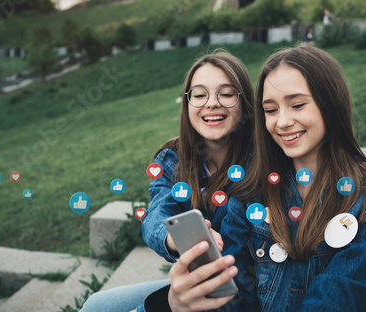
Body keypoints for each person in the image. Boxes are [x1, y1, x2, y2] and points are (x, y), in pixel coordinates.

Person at [240, 45, 366, 311]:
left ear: (331, 103)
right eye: (271, 110)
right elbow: (237, 290)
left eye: (297, 105)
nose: (282, 121)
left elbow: (340, 295)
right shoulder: (254, 188)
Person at [80, 51, 257, 312]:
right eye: (199, 94)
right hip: (198, 281)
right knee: (96, 305)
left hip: (239, 292)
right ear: (187, 104)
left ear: (244, 102)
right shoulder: (171, 160)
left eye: (226, 94)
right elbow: (157, 214)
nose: (211, 103)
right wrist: (174, 237)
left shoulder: (258, 163)